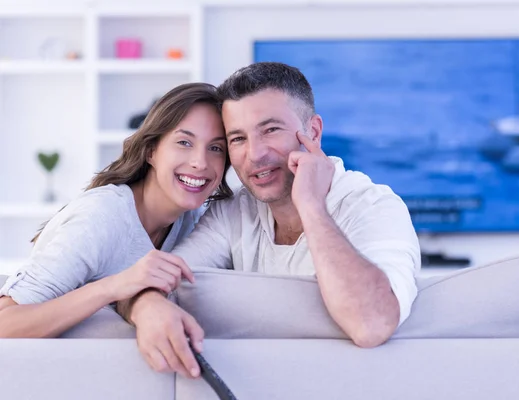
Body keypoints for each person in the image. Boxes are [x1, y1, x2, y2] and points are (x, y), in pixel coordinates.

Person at [119, 62, 421, 379]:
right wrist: (147, 306)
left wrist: (311, 206)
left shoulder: (374, 206)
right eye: (237, 139)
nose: (255, 154)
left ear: (313, 132)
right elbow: (159, 278)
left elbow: (370, 325)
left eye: (270, 130)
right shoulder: (235, 211)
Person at [0, 82, 232, 339]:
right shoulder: (101, 216)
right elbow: (5, 323)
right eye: (184, 142)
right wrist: (113, 286)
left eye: (216, 148)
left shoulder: (194, 222)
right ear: (151, 150)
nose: (200, 162)